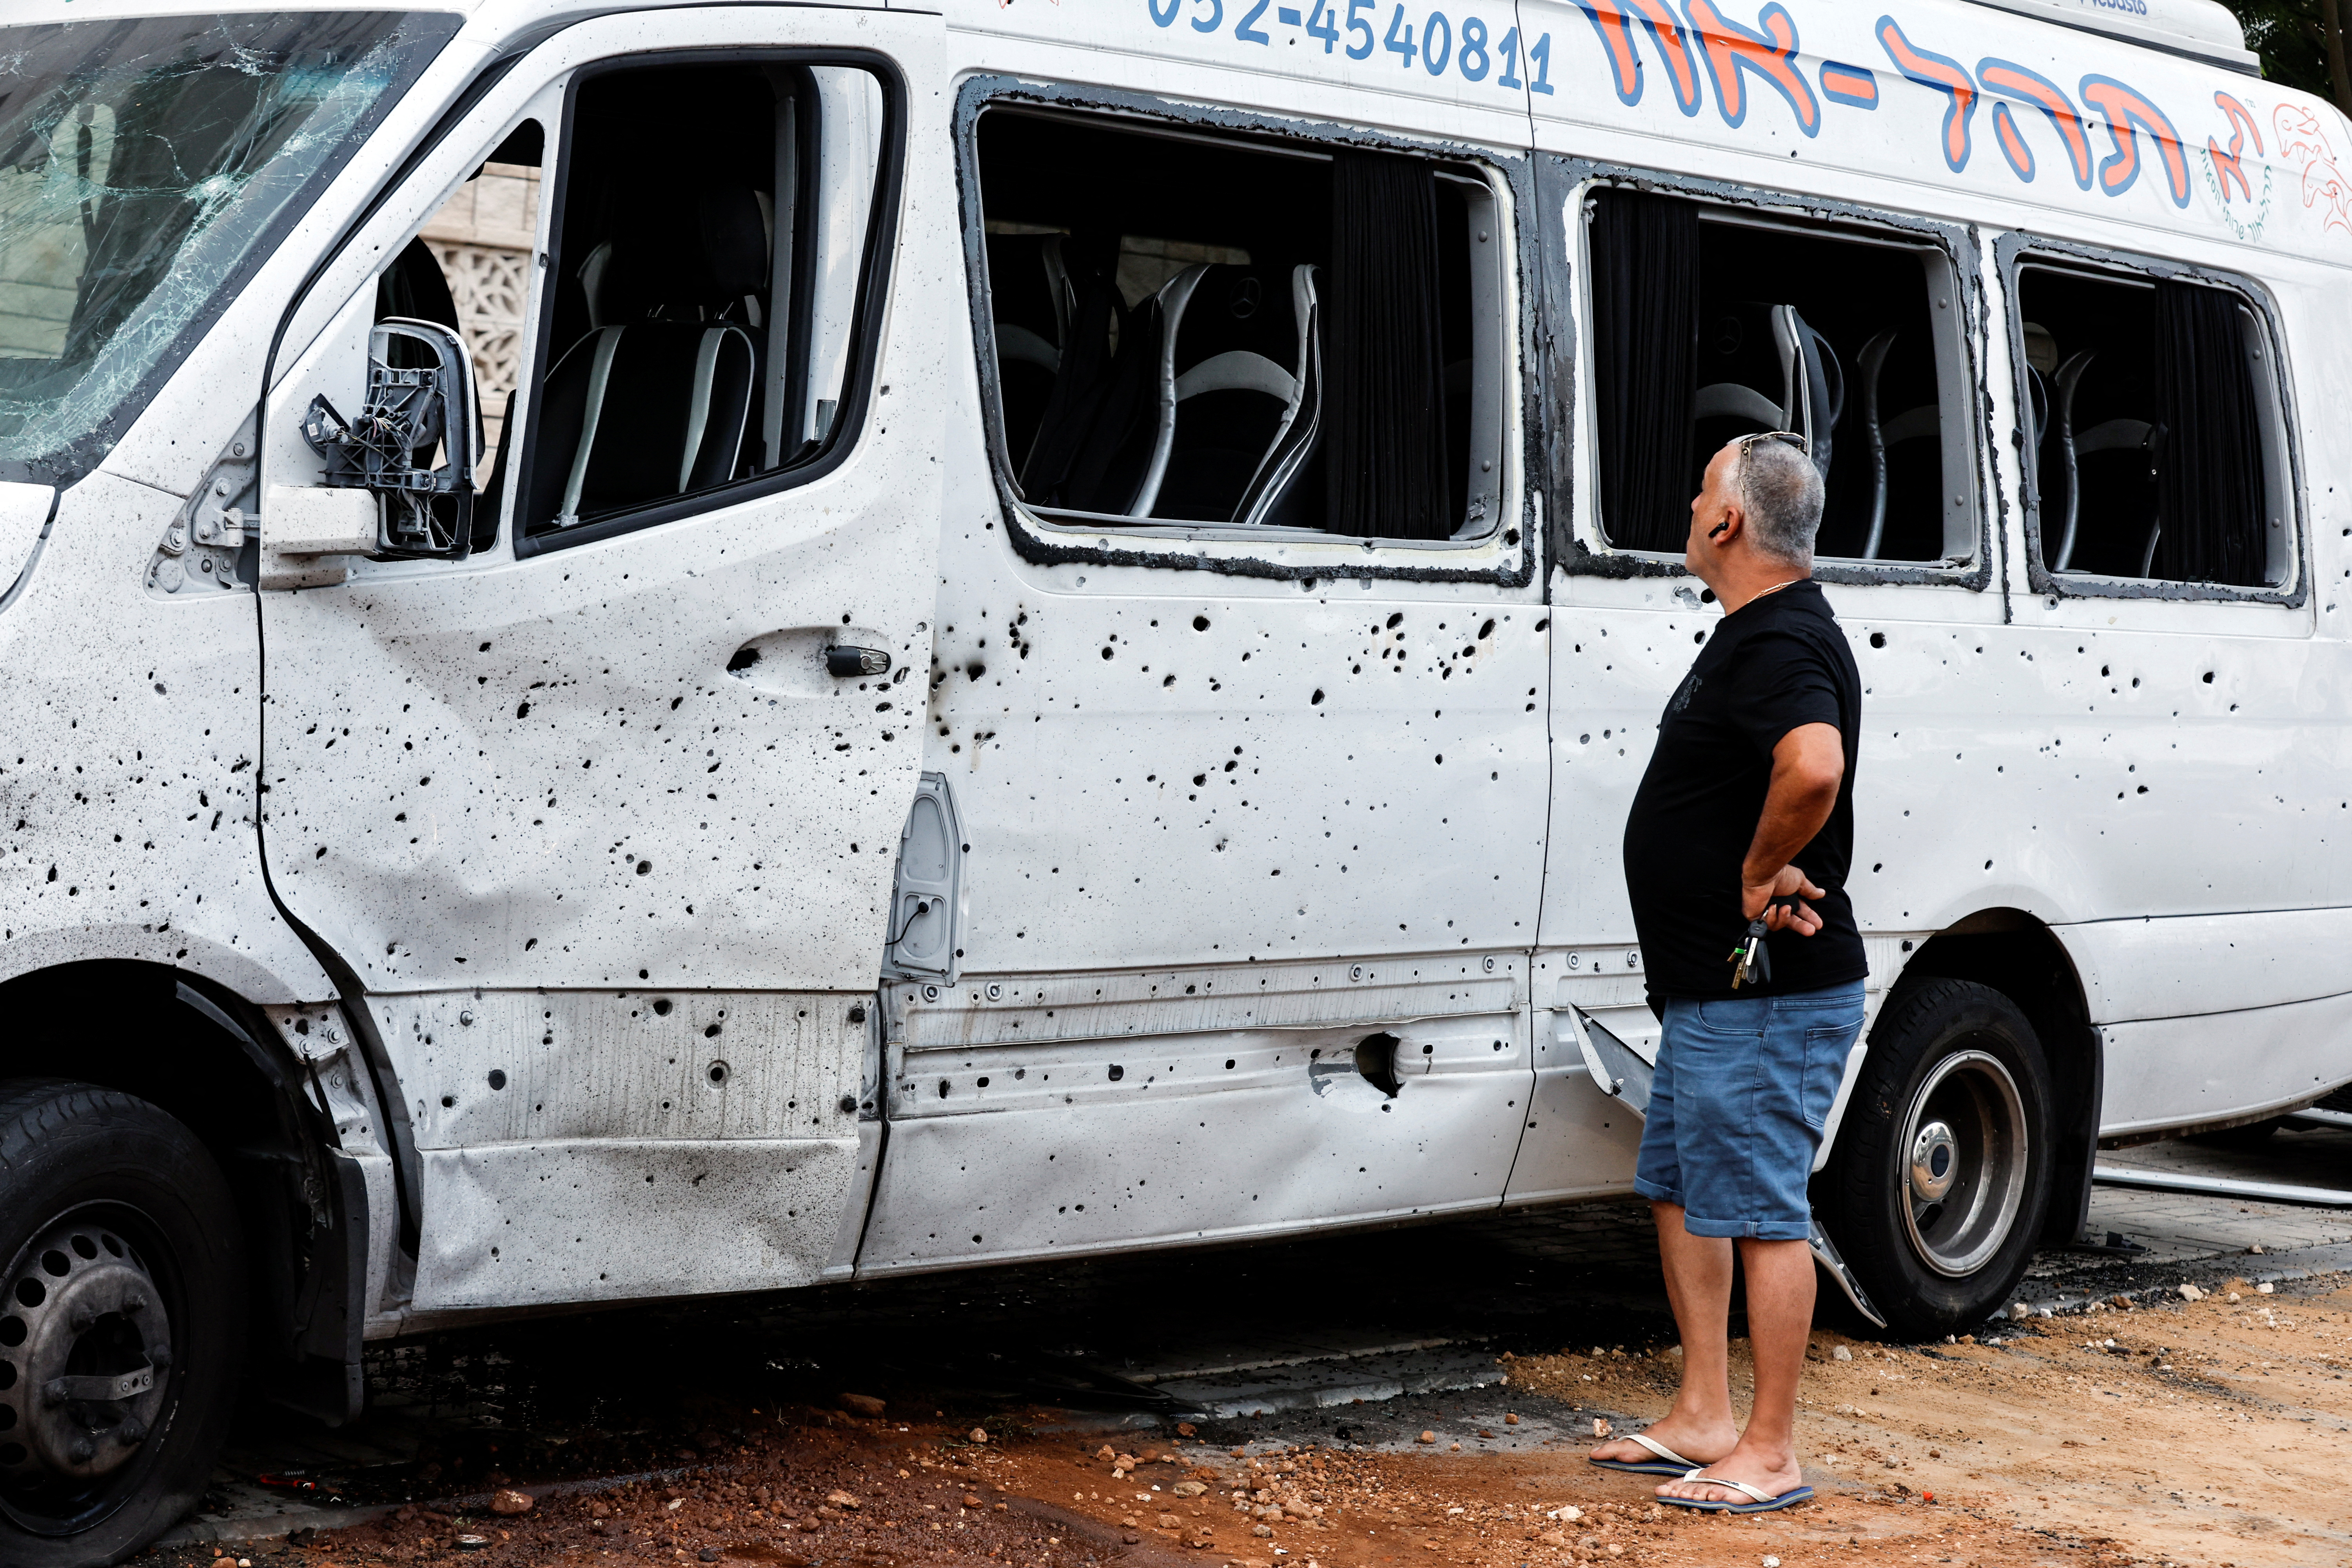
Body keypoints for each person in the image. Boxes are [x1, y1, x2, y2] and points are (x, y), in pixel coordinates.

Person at [1586, 431, 1868, 1515]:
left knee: (1759, 1210)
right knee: (1679, 1191)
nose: (1690, 500)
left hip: (1770, 996)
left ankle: (1771, 1449)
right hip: (1716, 995)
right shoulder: (1753, 631)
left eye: (1701, 486)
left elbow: (1814, 764)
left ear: (1728, 522)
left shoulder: (1781, 641)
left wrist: (1755, 874)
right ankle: (1704, 1413)